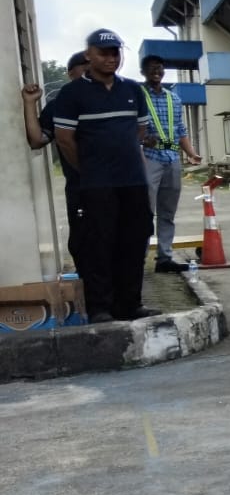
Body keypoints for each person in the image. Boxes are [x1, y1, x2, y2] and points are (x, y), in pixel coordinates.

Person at [47, 30, 157, 323]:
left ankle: (130, 304)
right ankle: (100, 308)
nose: (111, 58)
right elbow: (65, 139)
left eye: (115, 53)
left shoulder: (132, 90)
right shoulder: (72, 94)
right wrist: (91, 169)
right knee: (99, 245)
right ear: (89, 55)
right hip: (96, 185)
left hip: (132, 181)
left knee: (134, 241)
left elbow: (140, 131)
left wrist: (123, 158)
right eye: (103, 52)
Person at [20, 51, 89, 268]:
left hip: (116, 185)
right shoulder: (60, 105)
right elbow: (37, 140)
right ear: (70, 73)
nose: (90, 71)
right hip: (81, 187)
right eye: (84, 67)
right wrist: (30, 104)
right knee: (82, 242)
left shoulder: (114, 99)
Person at [138, 54, 203, 273]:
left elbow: (180, 130)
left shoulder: (173, 98)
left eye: (160, 68)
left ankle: (164, 258)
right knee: (145, 212)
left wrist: (192, 153)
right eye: (151, 68)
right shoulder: (139, 96)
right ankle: (138, 258)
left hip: (172, 159)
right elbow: (131, 127)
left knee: (167, 212)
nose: (156, 71)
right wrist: (141, 139)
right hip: (149, 158)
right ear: (143, 72)